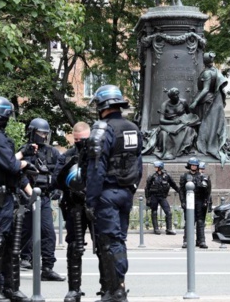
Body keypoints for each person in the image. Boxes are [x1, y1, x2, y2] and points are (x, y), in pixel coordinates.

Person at [85, 85, 142, 302]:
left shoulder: (102, 129)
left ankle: (117, 290)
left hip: (106, 194)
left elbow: (96, 169)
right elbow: (138, 163)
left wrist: (91, 200)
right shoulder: (133, 128)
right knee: (118, 240)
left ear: (102, 106)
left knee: (109, 242)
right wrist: (132, 188)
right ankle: (111, 288)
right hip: (125, 193)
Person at [0, 96, 34, 302]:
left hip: (0, 196)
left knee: (10, 244)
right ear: (3, 117)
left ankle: (10, 288)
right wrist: (25, 163)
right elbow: (11, 166)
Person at [18, 118, 65, 281]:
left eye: (46, 133)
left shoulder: (53, 152)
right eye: (40, 133)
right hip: (26, 197)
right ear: (32, 132)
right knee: (22, 233)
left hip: (44, 197)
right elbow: (15, 171)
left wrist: (58, 189)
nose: (43, 137)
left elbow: (60, 172)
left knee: (48, 232)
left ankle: (47, 268)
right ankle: (10, 261)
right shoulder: (25, 151)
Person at [54, 121, 93, 302]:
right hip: (74, 206)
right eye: (77, 140)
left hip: (94, 205)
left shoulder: (97, 155)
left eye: (83, 140)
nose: (80, 143)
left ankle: (108, 289)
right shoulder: (67, 155)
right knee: (74, 247)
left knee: (103, 247)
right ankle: (74, 289)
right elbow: (55, 180)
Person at [190, 52, 230, 164]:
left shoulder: (208, 73)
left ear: (204, 61)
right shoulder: (214, 71)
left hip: (206, 101)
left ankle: (204, 146)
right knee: (204, 123)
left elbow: (205, 89)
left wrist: (195, 101)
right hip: (209, 100)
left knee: (204, 123)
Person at [147, 88, 199, 160]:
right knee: (163, 133)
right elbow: (161, 120)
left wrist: (189, 120)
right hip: (169, 124)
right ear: (170, 97)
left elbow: (188, 113)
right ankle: (169, 152)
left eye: (177, 95)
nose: (177, 97)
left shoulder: (183, 102)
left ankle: (182, 150)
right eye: (175, 96)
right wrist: (173, 122)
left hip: (181, 123)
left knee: (189, 130)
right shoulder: (164, 105)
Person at [179, 157, 209, 249]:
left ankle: (201, 241)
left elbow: (207, 191)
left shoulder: (202, 176)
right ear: (189, 166)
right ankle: (186, 241)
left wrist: (206, 201)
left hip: (199, 200)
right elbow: (181, 190)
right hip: (189, 201)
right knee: (189, 221)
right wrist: (183, 201)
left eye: (195, 165)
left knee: (200, 221)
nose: (194, 167)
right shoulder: (184, 176)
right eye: (192, 165)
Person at [144, 160, 179, 235]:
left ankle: (169, 229)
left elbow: (173, 184)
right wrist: (148, 198)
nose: (155, 168)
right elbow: (147, 188)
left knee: (168, 212)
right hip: (154, 197)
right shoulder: (152, 176)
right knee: (154, 212)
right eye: (155, 167)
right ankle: (156, 229)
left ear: (160, 167)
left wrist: (179, 191)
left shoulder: (166, 176)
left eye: (156, 167)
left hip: (162, 197)